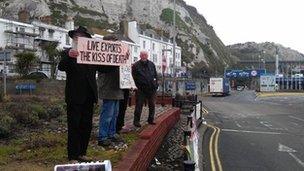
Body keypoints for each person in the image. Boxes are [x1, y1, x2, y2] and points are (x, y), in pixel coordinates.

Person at [58, 26, 114, 162]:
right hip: (74, 96)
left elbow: (104, 68)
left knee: (86, 126)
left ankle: (82, 152)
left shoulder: (91, 54)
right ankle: (72, 155)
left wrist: (118, 61)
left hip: (89, 96)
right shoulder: (68, 53)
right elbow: (61, 66)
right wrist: (70, 56)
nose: (78, 38)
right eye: (76, 36)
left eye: (81, 36)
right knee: (74, 126)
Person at [97, 35, 126, 146]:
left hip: (117, 87)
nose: (114, 43)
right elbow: (104, 69)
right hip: (108, 87)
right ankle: (103, 136)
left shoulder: (118, 54)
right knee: (108, 114)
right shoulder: (102, 55)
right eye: (113, 41)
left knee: (114, 113)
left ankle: (111, 133)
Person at [132, 51, 158, 127]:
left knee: (152, 105)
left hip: (152, 88)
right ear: (140, 56)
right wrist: (136, 87)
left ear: (147, 56)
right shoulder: (136, 65)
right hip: (141, 89)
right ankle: (136, 121)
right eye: (142, 55)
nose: (144, 56)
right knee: (139, 105)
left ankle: (151, 119)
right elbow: (134, 77)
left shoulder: (151, 64)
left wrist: (156, 85)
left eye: (145, 55)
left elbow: (155, 75)